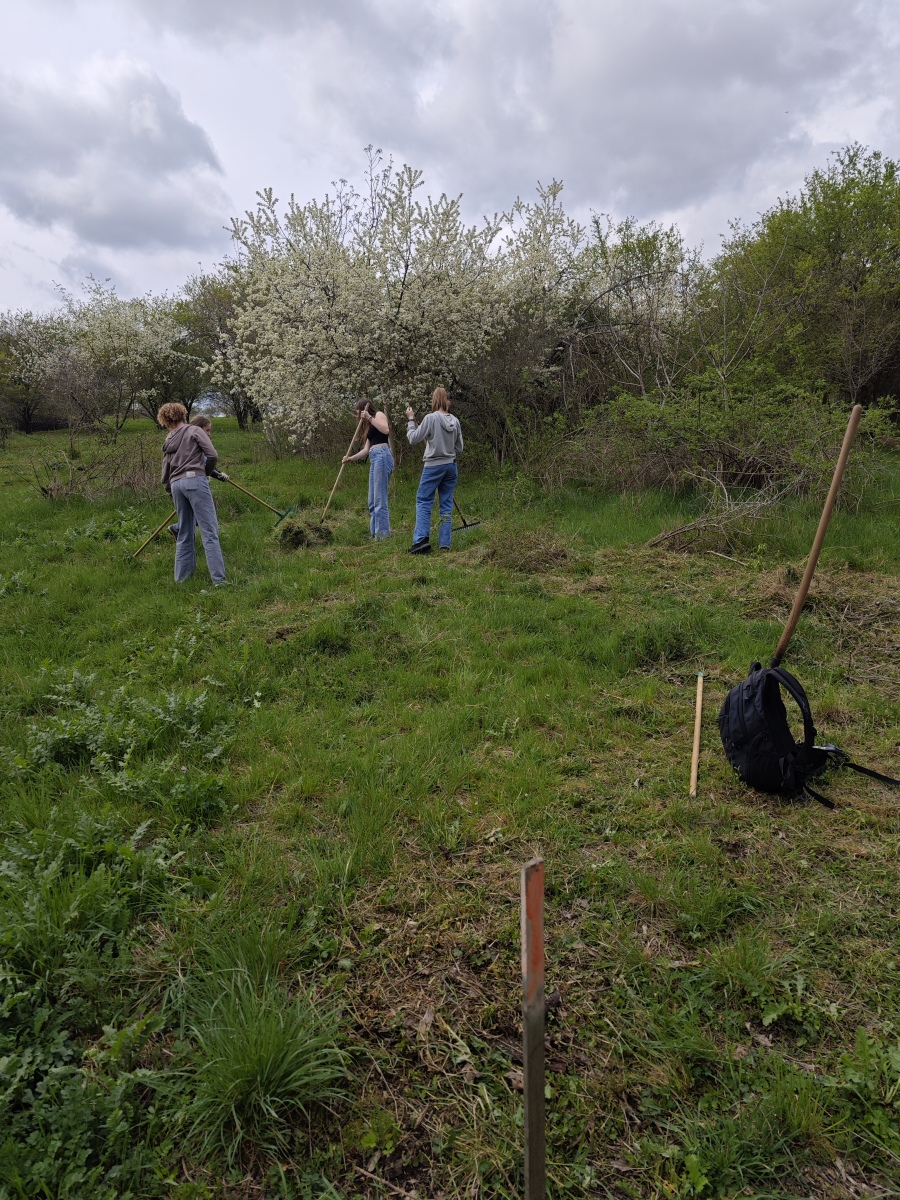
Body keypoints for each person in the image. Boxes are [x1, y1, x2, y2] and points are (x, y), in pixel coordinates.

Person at [158, 403, 228, 585]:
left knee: (184, 533)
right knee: (209, 532)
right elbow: (212, 455)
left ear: (166, 421)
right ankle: (219, 581)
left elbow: (165, 472)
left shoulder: (168, 439)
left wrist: (170, 489)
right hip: (194, 481)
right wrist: (204, 474)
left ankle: (181, 580)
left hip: (175, 485)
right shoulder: (194, 431)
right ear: (184, 415)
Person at [405, 387, 463, 554]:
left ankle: (421, 541)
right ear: (447, 401)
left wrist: (410, 420)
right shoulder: (456, 421)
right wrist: (446, 447)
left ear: (434, 401)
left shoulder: (430, 418)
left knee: (424, 500)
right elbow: (459, 448)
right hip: (451, 466)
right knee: (446, 503)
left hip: (433, 466)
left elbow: (413, 438)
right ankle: (445, 543)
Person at [342, 398, 394, 539]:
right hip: (374, 457)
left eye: (359, 412)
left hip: (383, 456)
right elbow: (366, 449)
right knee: (372, 501)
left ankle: (382, 536)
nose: (358, 416)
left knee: (379, 499)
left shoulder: (378, 415)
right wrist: (351, 458)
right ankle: (374, 534)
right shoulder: (367, 427)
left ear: (365, 409)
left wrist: (370, 418)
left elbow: (386, 429)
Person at [169, 415, 220, 539]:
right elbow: (208, 460)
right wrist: (213, 474)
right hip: (193, 483)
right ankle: (177, 528)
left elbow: (207, 460)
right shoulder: (193, 442)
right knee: (203, 517)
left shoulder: (192, 440)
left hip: (182, 484)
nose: (209, 434)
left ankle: (178, 529)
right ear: (199, 429)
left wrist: (219, 473)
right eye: (207, 430)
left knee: (194, 515)